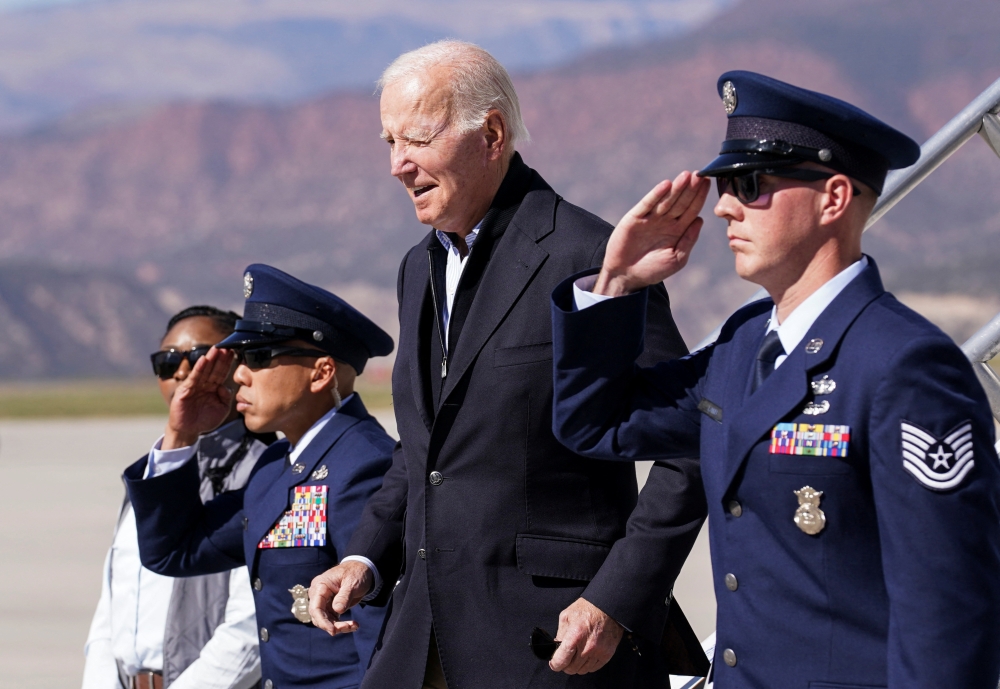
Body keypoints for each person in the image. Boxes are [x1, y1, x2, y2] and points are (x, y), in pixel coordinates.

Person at [550, 70, 1000, 688]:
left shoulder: (904, 367)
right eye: (725, 187)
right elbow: (596, 423)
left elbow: (949, 613)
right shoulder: (741, 348)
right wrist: (617, 285)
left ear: (834, 198)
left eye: (750, 184)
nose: (726, 205)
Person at [307, 40, 704, 688]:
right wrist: (365, 557)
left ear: (491, 133)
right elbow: (426, 452)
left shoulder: (589, 255)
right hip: (421, 641)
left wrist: (616, 598)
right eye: (388, 142)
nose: (397, 165)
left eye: (417, 139)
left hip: (553, 649)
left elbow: (691, 439)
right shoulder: (418, 268)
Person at [123, 265, 396, 689]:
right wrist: (182, 434)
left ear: (321, 373)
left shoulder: (366, 465)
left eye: (259, 357)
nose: (238, 376)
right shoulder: (274, 467)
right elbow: (174, 551)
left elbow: (381, 637)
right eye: (240, 359)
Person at [83, 305, 271, 689]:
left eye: (201, 357)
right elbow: (112, 607)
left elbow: (249, 628)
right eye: (167, 362)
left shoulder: (264, 473)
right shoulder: (152, 472)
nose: (183, 372)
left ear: (240, 367)